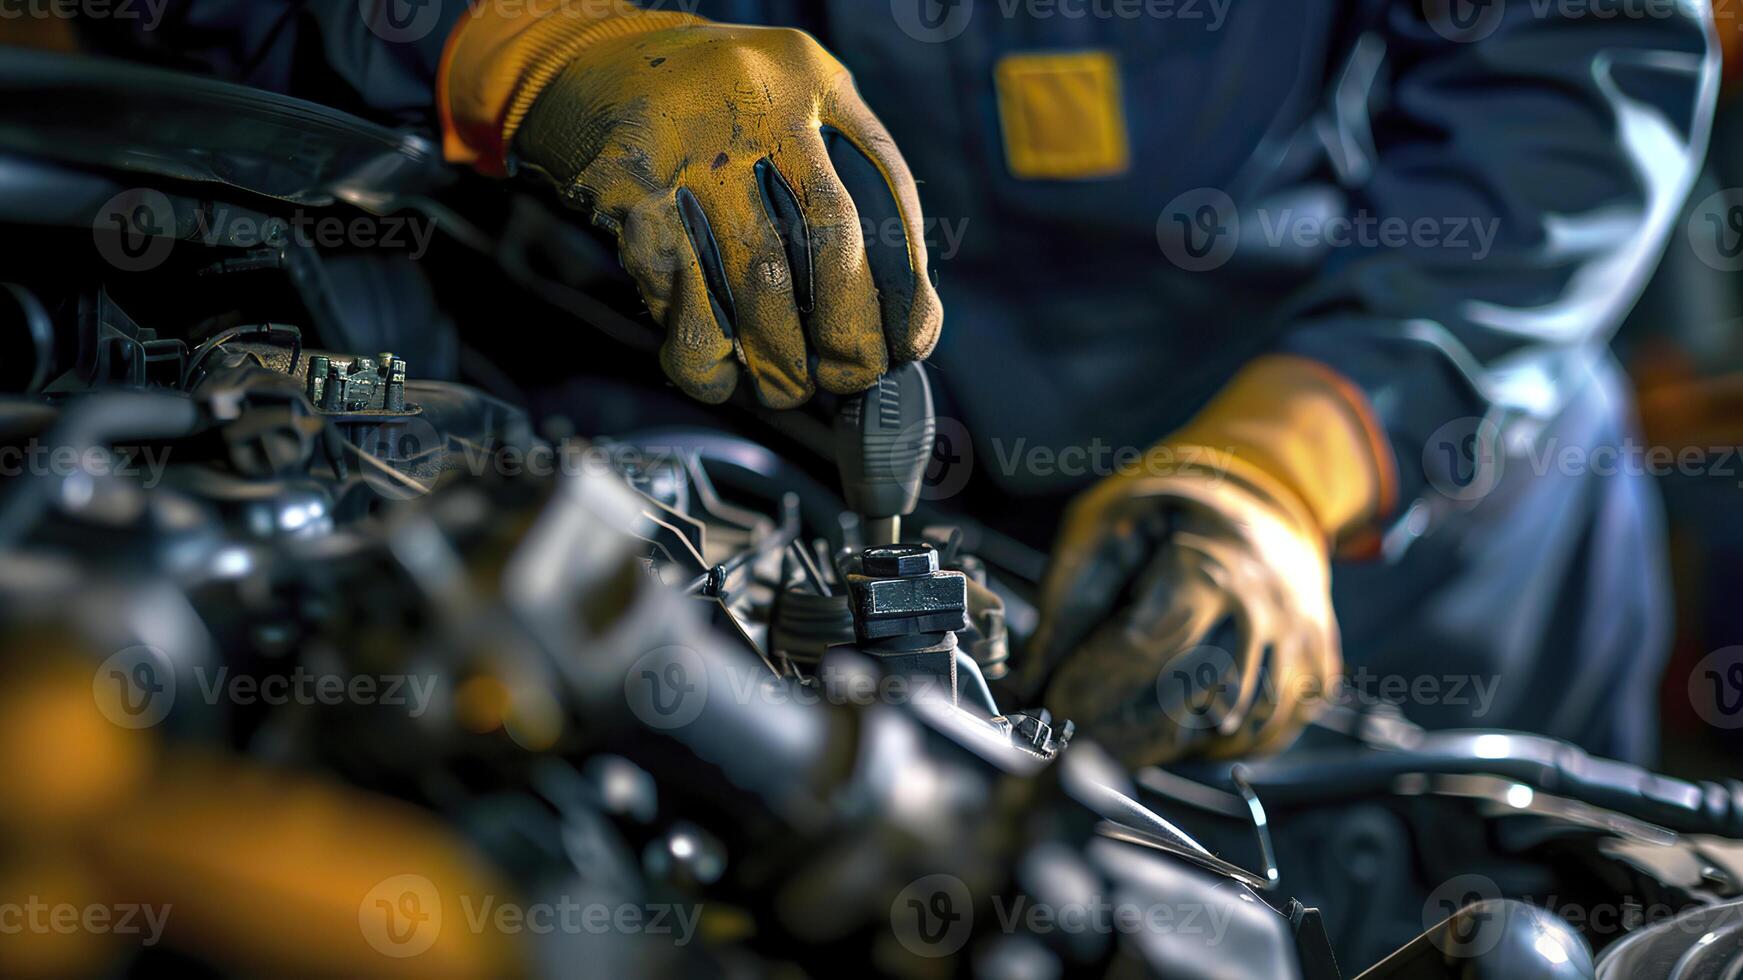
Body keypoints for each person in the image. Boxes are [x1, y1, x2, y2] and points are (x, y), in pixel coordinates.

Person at [66, 0, 1718, 765]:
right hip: (724, 423)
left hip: (1387, 460)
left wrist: (1290, 470)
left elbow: (1579, 68)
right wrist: (522, 43)